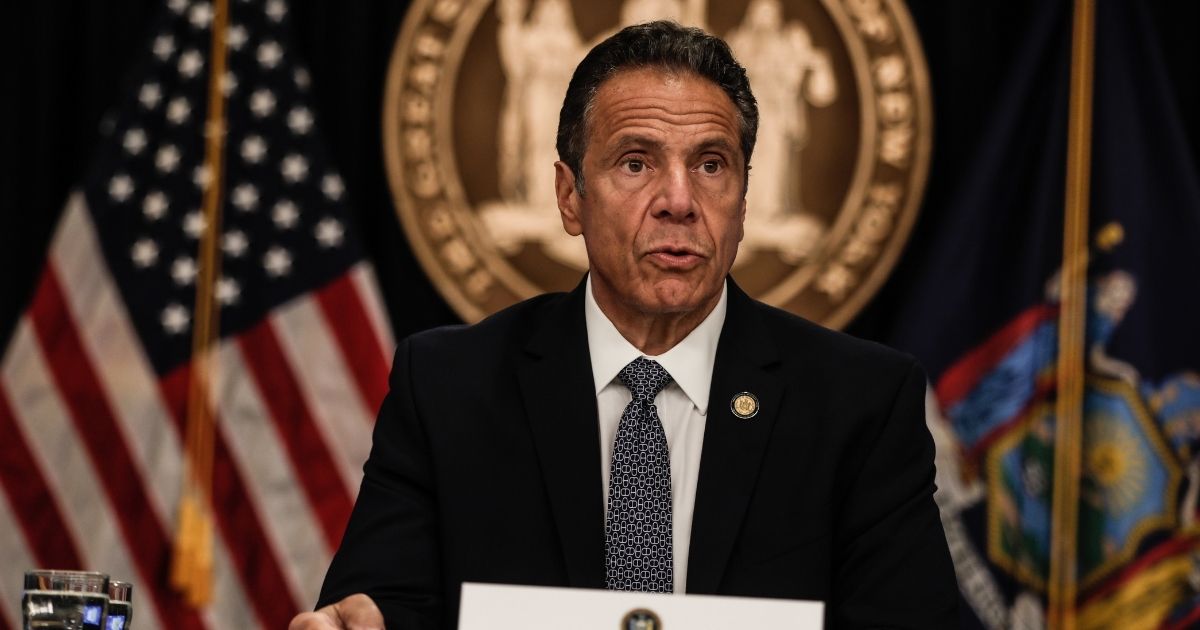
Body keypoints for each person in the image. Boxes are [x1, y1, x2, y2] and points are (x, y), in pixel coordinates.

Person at [290, 21, 957, 630]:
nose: (678, 202)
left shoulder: (862, 403)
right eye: (636, 163)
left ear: (744, 200)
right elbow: (391, 603)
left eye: (711, 165)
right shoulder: (447, 387)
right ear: (569, 196)